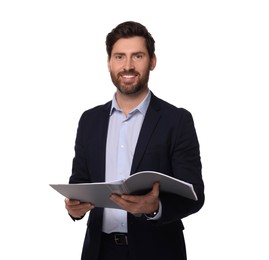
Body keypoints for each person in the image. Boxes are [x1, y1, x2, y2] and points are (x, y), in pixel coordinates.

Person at [65, 21, 205, 260]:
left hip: (158, 251)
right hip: (99, 251)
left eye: (137, 56)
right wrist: (74, 208)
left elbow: (195, 195)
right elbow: (80, 181)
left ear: (152, 61)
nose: (127, 65)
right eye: (119, 57)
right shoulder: (89, 120)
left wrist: (155, 208)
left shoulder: (177, 120)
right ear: (109, 62)